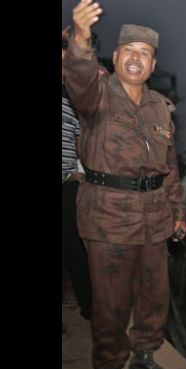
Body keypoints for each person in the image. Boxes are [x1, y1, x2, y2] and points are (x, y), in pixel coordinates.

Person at [64, 0, 186, 369]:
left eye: (145, 53)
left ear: (153, 64)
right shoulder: (96, 97)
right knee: (111, 301)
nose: (136, 58)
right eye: (128, 51)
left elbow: (170, 166)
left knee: (154, 295)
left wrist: (178, 211)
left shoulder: (160, 108)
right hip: (108, 214)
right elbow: (78, 75)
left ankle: (145, 358)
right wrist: (80, 36)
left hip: (154, 214)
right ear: (115, 58)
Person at [61, 26, 92, 324]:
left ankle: (90, 308)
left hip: (70, 187)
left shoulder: (76, 97)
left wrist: (79, 174)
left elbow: (81, 139)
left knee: (76, 250)